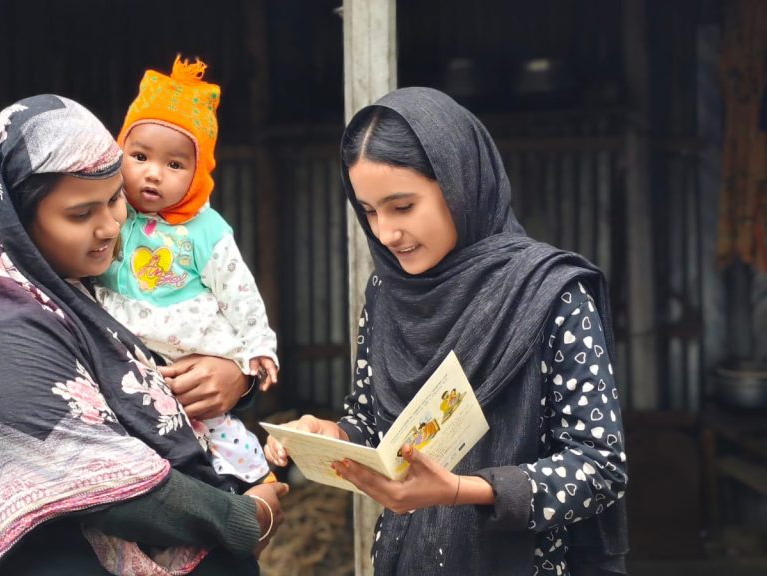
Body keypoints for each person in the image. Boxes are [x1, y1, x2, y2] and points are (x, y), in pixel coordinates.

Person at [266, 88, 628, 575]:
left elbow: (599, 467)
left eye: (402, 206)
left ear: (460, 185)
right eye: (369, 212)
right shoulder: (387, 293)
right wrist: (328, 435)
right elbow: (378, 428)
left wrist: (461, 491)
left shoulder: (550, 294)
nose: (385, 233)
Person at [0, 94, 286, 576]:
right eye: (80, 215)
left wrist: (233, 377)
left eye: (116, 197)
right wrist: (247, 518)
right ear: (16, 219)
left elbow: (146, 377)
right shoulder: (1, 335)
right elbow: (112, 485)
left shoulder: (79, 292)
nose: (110, 227)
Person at [96, 56, 277, 489]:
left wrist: (257, 348)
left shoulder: (205, 229)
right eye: (139, 156)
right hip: (130, 358)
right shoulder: (107, 210)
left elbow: (239, 291)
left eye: (175, 165)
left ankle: (243, 485)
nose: (153, 174)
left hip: (190, 355)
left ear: (199, 174)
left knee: (217, 432)